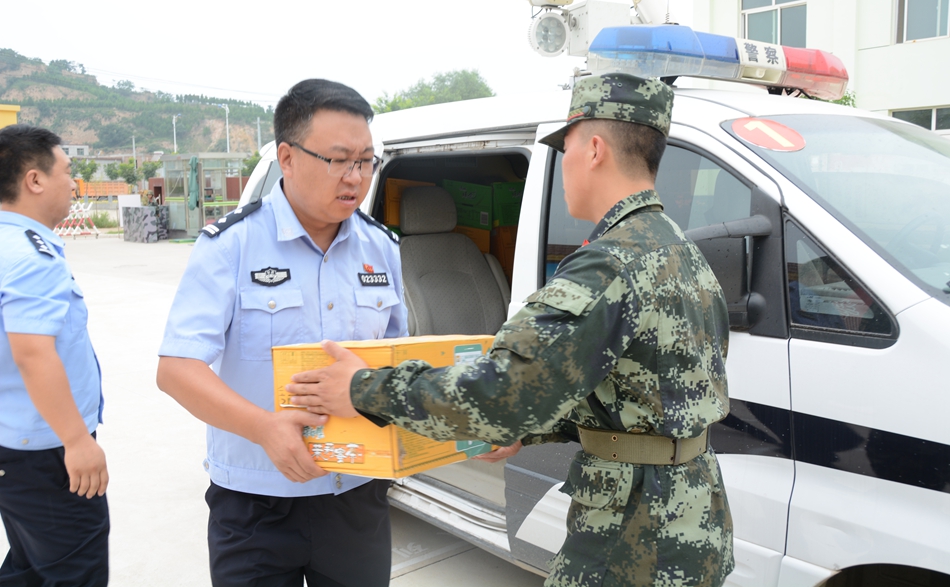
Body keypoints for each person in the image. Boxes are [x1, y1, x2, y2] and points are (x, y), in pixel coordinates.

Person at [288, 73, 735, 587]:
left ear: (593, 150)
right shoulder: (679, 250)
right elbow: (642, 397)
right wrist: (529, 429)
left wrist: (362, 388)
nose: (562, 165)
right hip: (692, 517)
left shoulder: (610, 265)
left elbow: (501, 393)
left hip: (632, 537)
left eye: (564, 149)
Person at [156, 79, 407, 587]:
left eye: (366, 161)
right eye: (339, 160)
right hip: (256, 505)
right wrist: (264, 428)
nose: (356, 178)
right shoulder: (231, 245)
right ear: (287, 158)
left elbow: (398, 362)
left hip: (356, 494)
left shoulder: (381, 248)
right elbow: (177, 369)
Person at [0, 125, 110, 586]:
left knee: (29, 567)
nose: (74, 183)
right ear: (35, 180)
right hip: (45, 455)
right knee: (73, 572)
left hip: (13, 445)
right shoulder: (32, 256)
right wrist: (77, 441)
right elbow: (33, 353)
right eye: (67, 171)